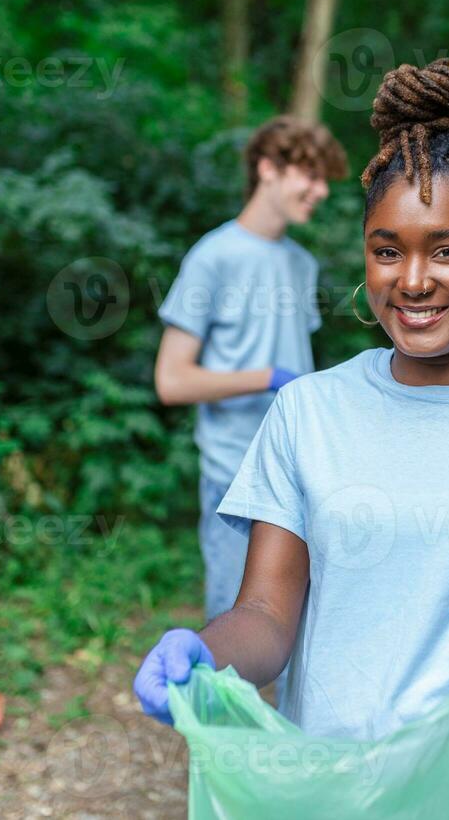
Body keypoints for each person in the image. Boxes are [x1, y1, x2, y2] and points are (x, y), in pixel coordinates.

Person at [134, 58, 449, 820]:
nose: (412, 280)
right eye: (387, 250)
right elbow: (269, 618)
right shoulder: (307, 413)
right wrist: (205, 655)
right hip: (349, 793)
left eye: (448, 250)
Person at [153, 116, 347, 619]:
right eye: (311, 175)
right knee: (235, 624)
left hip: (300, 472)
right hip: (233, 478)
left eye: (325, 179)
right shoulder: (213, 257)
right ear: (267, 169)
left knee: (300, 626)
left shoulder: (301, 263)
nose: (321, 190)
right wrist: (268, 377)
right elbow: (171, 380)